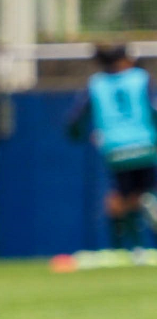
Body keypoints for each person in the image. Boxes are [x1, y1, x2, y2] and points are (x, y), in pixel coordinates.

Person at [67, 43, 157, 253]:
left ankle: (122, 247)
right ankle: (137, 246)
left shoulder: (96, 84)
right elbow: (153, 108)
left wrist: (78, 134)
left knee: (120, 195)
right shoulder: (140, 78)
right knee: (142, 194)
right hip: (144, 144)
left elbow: (76, 118)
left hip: (115, 148)